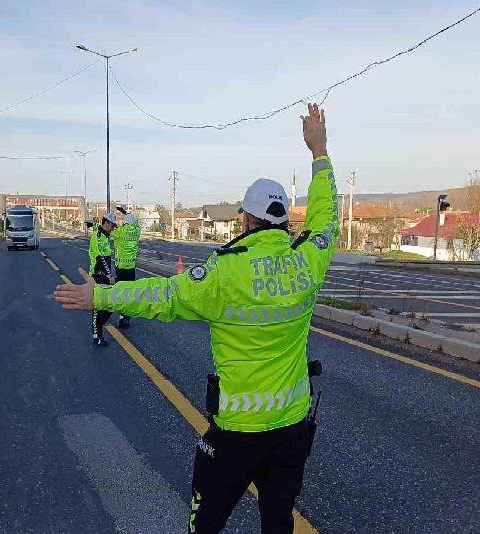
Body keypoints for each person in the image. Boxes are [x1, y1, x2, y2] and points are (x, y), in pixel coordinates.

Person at [56, 103, 337, 533]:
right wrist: (319, 152)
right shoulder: (307, 263)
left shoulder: (225, 273)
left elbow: (162, 296)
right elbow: (325, 218)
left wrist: (101, 295)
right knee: (278, 522)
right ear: (283, 222)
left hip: (237, 433)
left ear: (246, 219)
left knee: (204, 525)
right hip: (292, 430)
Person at [88, 213, 118, 346]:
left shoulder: (105, 236)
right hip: (97, 275)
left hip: (105, 276)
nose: (113, 229)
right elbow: (100, 259)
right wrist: (109, 275)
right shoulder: (98, 237)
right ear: (106, 223)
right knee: (98, 306)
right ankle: (97, 336)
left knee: (109, 305)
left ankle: (99, 328)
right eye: (112, 226)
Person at [110, 211, 141, 328]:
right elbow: (136, 224)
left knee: (122, 292)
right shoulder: (137, 231)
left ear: (125, 223)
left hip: (120, 267)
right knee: (129, 292)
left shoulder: (120, 231)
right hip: (131, 267)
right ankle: (126, 316)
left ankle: (121, 315)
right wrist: (127, 214)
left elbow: (109, 232)